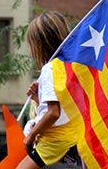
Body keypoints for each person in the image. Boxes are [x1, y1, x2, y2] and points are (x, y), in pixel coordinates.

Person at [17, 11, 78, 169]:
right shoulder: (69, 66)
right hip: (71, 136)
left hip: (54, 140)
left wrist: (30, 136)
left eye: (31, 44)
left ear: (40, 44)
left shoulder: (50, 69)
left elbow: (54, 113)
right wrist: (39, 100)